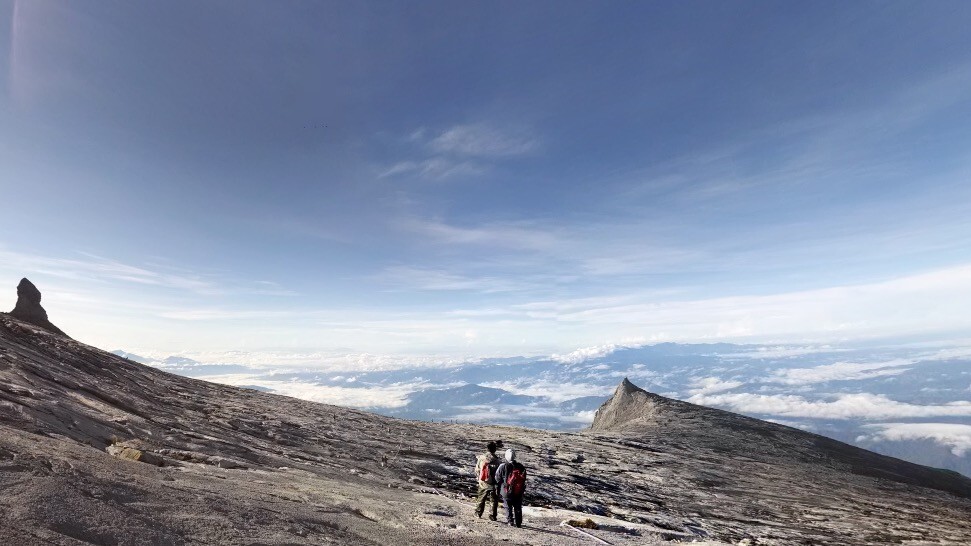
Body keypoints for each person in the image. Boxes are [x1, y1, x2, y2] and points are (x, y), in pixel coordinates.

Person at [494, 448, 527, 527]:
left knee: (508, 505)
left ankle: (510, 521)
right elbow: (524, 478)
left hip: (506, 490)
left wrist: (498, 488)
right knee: (517, 506)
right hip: (518, 491)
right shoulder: (521, 466)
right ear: (515, 456)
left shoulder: (503, 466)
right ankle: (518, 523)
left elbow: (497, 478)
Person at [473, 441, 501, 520]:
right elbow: (498, 474)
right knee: (493, 500)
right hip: (493, 483)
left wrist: (479, 478)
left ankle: (478, 513)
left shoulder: (481, 458)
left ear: (487, 448)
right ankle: (492, 515)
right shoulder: (497, 461)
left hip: (483, 482)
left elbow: (477, 470)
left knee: (481, 498)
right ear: (495, 449)